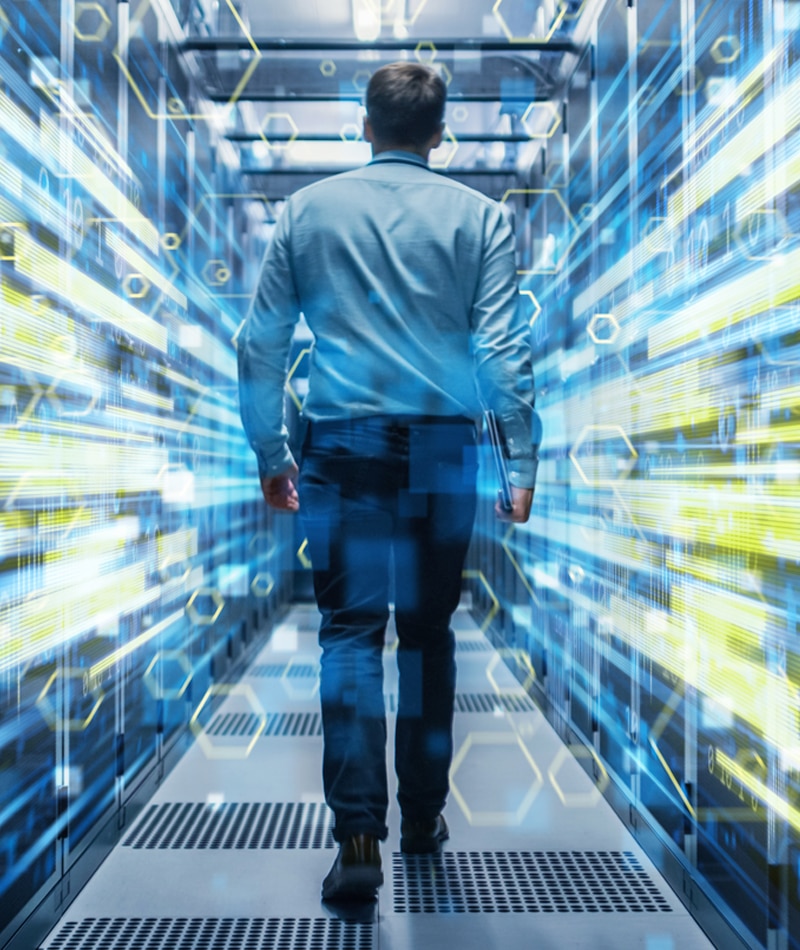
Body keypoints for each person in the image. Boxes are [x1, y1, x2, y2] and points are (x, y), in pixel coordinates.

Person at [237, 61, 541, 903]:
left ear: (363, 125)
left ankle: (358, 837)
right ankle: (423, 817)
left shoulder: (308, 212)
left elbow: (259, 344)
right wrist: (519, 459)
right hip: (446, 449)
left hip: (344, 444)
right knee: (431, 635)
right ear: (440, 135)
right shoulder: (481, 221)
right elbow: (502, 353)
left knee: (348, 634)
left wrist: (272, 454)